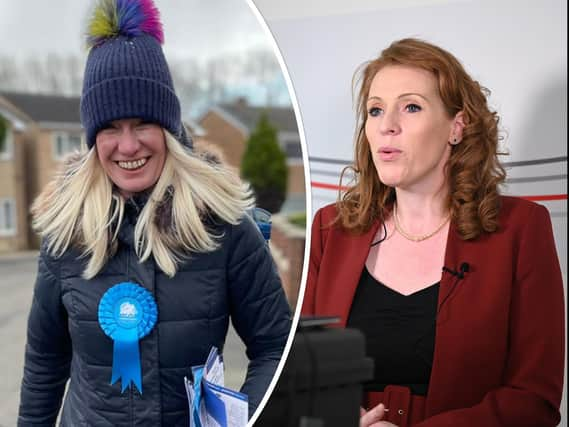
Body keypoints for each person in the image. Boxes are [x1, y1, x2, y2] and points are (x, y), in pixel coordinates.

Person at [17, 1, 291, 425]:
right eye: (110, 128)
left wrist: (243, 418)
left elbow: (277, 348)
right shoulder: (65, 233)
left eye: (143, 123)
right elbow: (44, 365)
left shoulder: (224, 226)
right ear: (93, 138)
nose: (127, 147)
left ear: (170, 130)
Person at [302, 38, 564, 427]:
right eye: (375, 110)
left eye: (411, 107)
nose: (387, 126)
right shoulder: (330, 229)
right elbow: (303, 372)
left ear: (456, 127)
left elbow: (534, 399)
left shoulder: (522, 229)